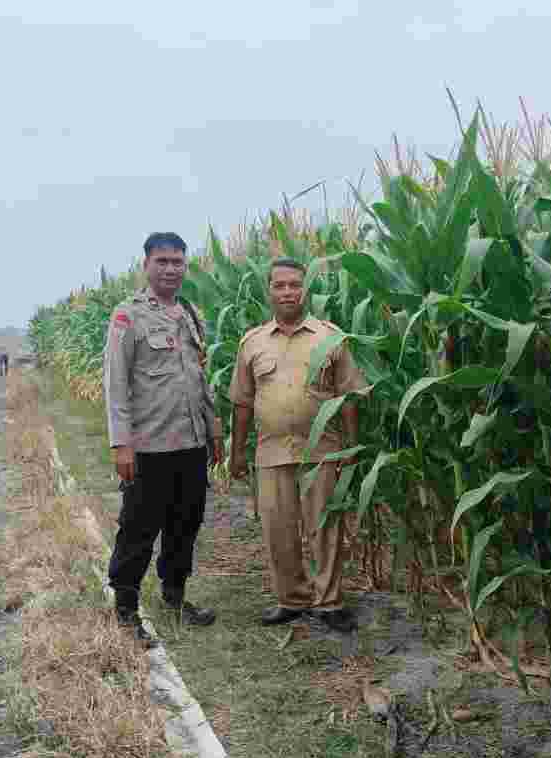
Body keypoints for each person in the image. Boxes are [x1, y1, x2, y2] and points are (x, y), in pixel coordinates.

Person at [228, 257, 367, 632]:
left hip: (322, 449)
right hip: (271, 453)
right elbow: (241, 402)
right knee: (279, 530)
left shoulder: (330, 337)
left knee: (324, 528)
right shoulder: (252, 343)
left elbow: (349, 396)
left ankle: (329, 602)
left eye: (295, 285)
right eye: (280, 285)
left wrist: (350, 452)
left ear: (306, 289)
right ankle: (292, 598)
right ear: (269, 291)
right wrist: (237, 452)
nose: (288, 292)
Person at [103, 231, 225, 644]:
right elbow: (116, 385)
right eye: (163, 261)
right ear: (147, 265)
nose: (171, 269)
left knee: (184, 525)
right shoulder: (129, 316)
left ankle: (174, 597)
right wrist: (122, 443)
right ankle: (125, 607)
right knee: (138, 529)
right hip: (149, 446)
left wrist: (214, 430)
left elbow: (200, 379)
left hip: (190, 444)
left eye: (178, 262)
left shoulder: (189, 313)